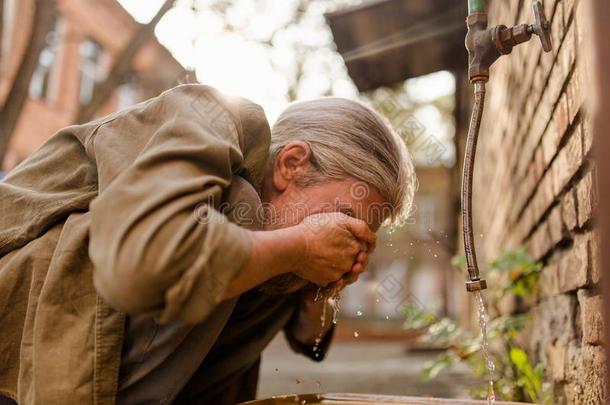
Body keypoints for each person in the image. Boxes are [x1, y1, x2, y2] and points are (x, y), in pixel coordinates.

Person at [0, 84, 415, 405]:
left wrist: (319, 283)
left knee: (276, 266)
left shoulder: (280, 232)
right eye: (342, 215)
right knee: (243, 214)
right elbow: (144, 264)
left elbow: (309, 341)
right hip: (19, 339)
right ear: (291, 164)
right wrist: (303, 246)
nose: (344, 234)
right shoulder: (206, 116)